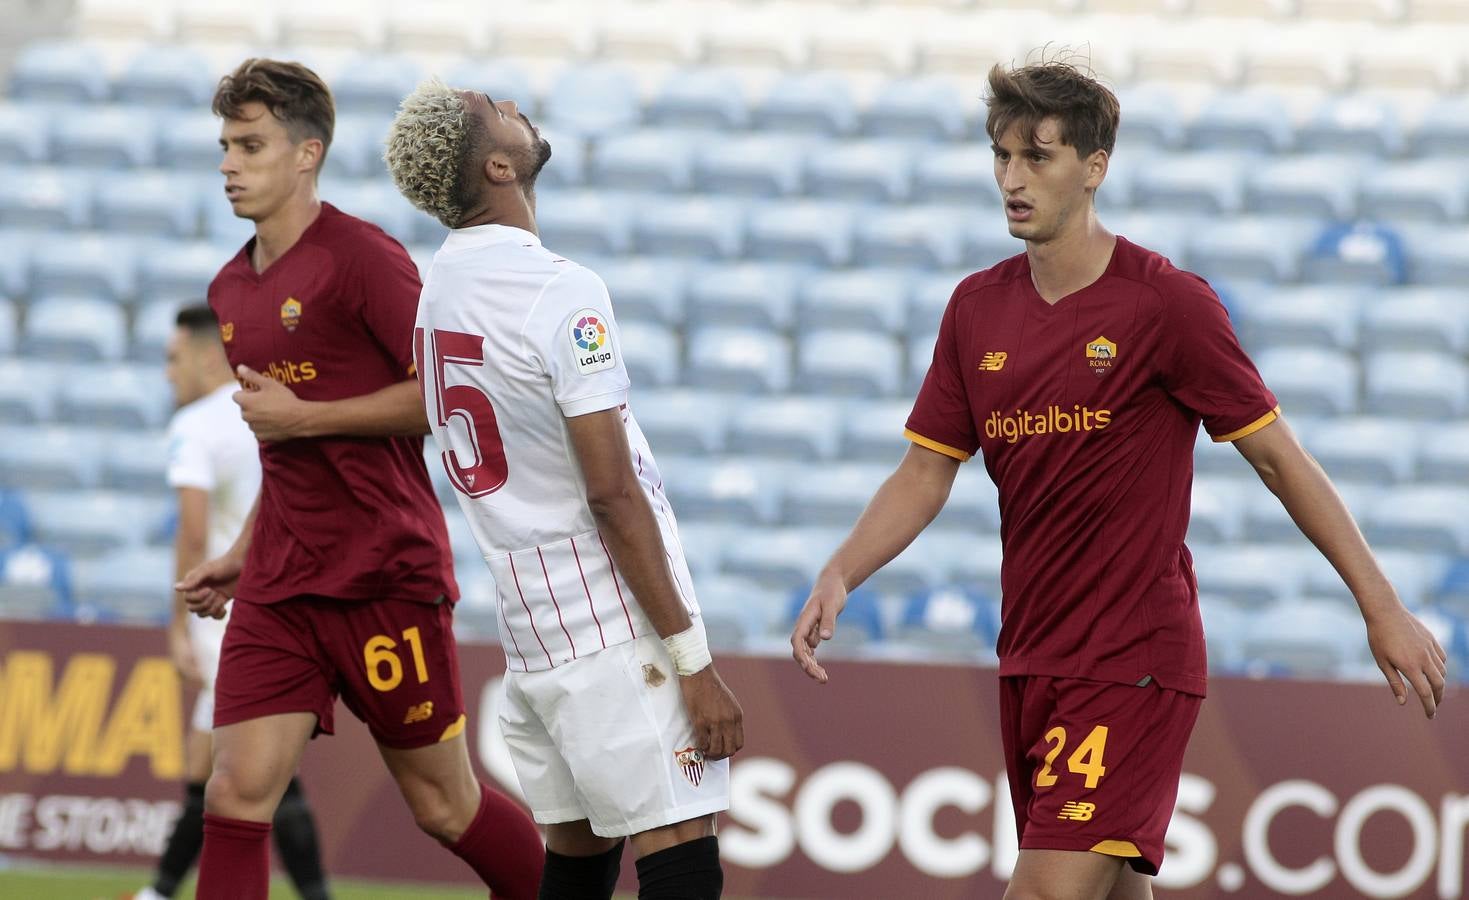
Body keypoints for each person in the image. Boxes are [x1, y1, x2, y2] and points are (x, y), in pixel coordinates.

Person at [789, 59, 1447, 900]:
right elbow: (925, 471)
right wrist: (841, 571)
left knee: (1041, 892)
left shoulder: (1165, 304)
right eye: (1001, 157)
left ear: (1094, 167)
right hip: (1030, 656)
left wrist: (1379, 605)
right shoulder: (974, 309)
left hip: (1132, 658)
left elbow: (1280, 459)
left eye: (1039, 157)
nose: (1012, 179)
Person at [175, 58, 544, 900]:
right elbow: (286, 455)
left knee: (443, 805)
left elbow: (445, 400)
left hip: (383, 573)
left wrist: (306, 415)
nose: (229, 163)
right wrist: (244, 550)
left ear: (307, 154)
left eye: (251, 144)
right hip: (281, 586)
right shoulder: (229, 288)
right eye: (226, 144)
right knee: (233, 796)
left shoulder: (363, 259)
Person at [383, 80, 744, 900]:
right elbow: (612, 495)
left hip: (530, 633)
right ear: (500, 166)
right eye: (495, 108)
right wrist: (691, 660)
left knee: (575, 859)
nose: (513, 103)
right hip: (608, 622)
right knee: (680, 846)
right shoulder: (560, 290)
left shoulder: (438, 291)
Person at [134, 304, 332, 900]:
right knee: (206, 766)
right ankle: (161, 890)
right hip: (285, 598)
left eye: (173, 360)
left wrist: (176, 625)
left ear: (201, 356)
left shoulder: (196, 423)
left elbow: (193, 533)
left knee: (259, 774)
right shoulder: (268, 408)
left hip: (227, 613)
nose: (169, 374)